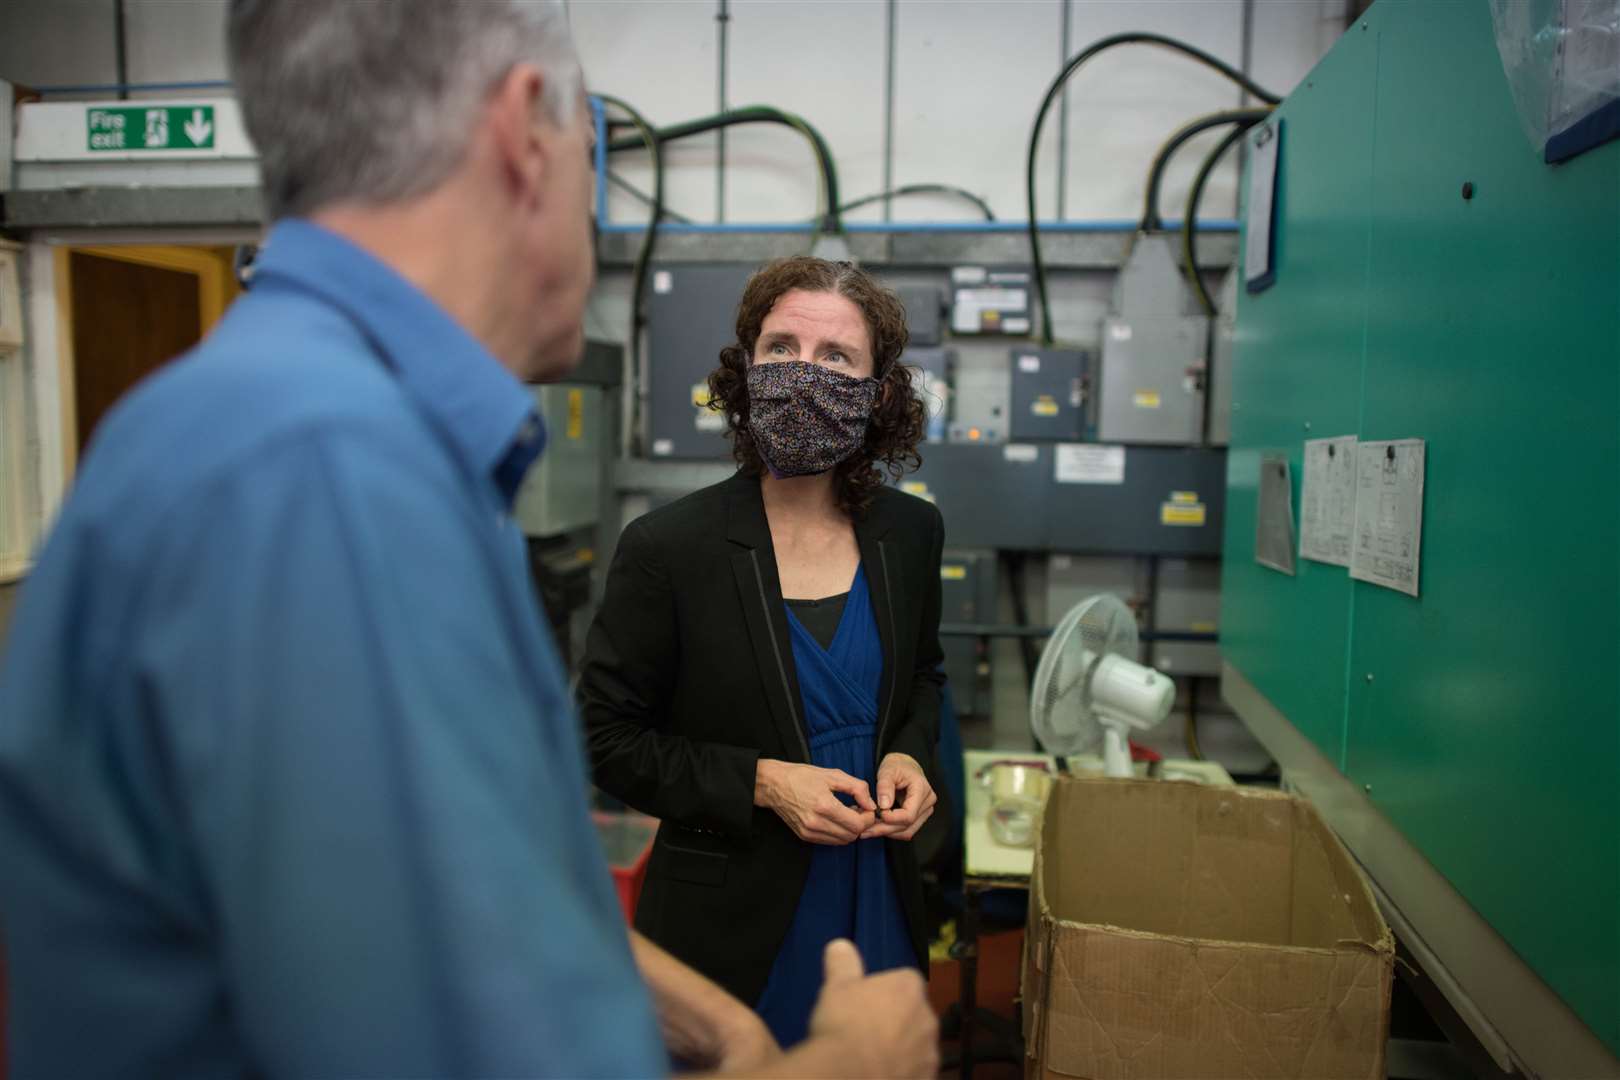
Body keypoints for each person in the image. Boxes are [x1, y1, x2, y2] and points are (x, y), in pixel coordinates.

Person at [0, 3, 937, 1077]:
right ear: (524, 131)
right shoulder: (327, 479)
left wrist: (720, 1028)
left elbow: (469, 903)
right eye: (593, 160)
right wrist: (841, 1068)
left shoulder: (317, 436)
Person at [582, 257, 947, 1046]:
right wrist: (761, 781)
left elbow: (922, 677)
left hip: (876, 888)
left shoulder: (910, 535)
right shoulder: (669, 548)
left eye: (835, 358)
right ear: (745, 370)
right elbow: (603, 741)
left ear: (878, 392)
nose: (802, 374)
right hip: (731, 922)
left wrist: (911, 757)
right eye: (781, 349)